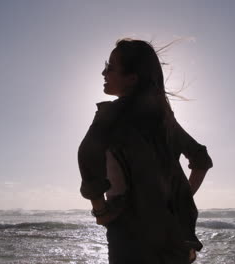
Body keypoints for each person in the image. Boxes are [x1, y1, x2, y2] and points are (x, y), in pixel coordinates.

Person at [78, 38, 213, 264]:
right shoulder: (163, 119)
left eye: (111, 67)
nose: (104, 72)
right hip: (173, 236)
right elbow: (200, 159)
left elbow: (87, 153)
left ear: (132, 78)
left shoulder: (111, 114)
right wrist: (179, 199)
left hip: (129, 235)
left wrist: (100, 210)